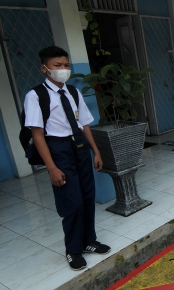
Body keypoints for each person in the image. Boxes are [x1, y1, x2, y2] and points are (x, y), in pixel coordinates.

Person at [24, 46, 111, 271]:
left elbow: (84, 124)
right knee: (71, 203)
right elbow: (37, 134)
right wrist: (51, 167)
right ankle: (73, 249)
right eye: (57, 66)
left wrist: (96, 151)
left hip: (80, 146)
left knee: (87, 196)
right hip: (58, 149)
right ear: (45, 68)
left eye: (66, 65)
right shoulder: (35, 96)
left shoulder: (73, 92)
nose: (63, 69)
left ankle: (88, 241)